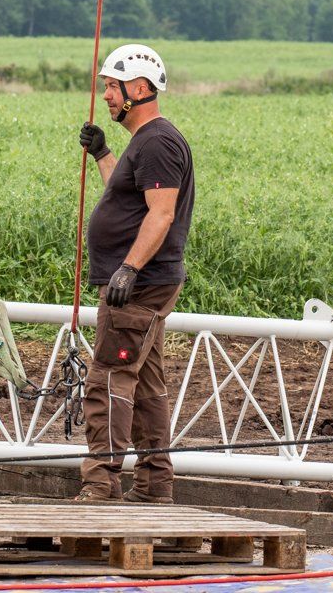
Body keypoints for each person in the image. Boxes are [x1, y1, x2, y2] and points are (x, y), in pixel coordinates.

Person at [75, 43, 195, 504]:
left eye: (113, 86)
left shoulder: (158, 142)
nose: (106, 95)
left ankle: (101, 485)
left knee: (109, 377)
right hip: (143, 281)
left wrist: (128, 268)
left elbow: (161, 214)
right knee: (145, 386)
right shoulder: (144, 141)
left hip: (139, 285)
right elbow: (126, 199)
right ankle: (154, 487)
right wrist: (103, 153)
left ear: (139, 89)